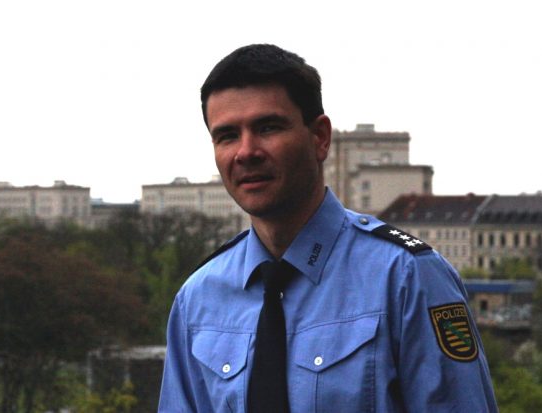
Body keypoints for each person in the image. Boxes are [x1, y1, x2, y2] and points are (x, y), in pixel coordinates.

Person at [158, 44, 497, 412]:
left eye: (268, 128)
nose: (246, 152)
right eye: (227, 136)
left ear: (320, 137)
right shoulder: (198, 300)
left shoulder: (406, 278)